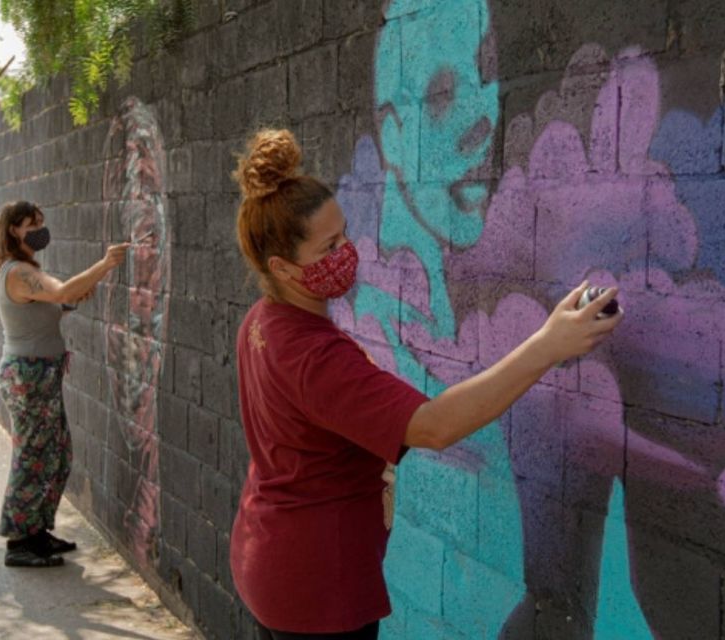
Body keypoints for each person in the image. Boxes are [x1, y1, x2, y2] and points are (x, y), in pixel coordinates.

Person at [229, 129, 624, 639]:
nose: (347, 252)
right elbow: (434, 428)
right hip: (316, 591)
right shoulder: (315, 356)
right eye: (329, 246)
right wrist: (549, 344)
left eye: (344, 234)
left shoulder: (262, 322)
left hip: (269, 557)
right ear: (282, 268)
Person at [0, 201, 129, 567]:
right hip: (28, 376)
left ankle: (36, 532)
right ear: (14, 231)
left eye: (41, 222)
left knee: (57, 454)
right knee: (32, 457)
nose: (40, 228)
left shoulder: (25, 272)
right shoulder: (18, 273)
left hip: (41, 374)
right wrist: (105, 263)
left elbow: (57, 301)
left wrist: (70, 300)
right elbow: (62, 291)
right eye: (32, 224)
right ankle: (19, 542)